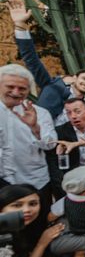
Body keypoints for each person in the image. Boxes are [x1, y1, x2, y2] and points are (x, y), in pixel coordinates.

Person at [10, 0, 85, 124]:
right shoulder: (52, 86)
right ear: (74, 78)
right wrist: (20, 25)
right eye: (84, 78)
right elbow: (32, 61)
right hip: (38, 135)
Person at [0, 64, 57, 238]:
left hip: (35, 180)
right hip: (3, 180)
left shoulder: (39, 113)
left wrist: (35, 128)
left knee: (36, 229)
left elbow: (50, 144)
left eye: (22, 88)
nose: (16, 92)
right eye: (10, 87)